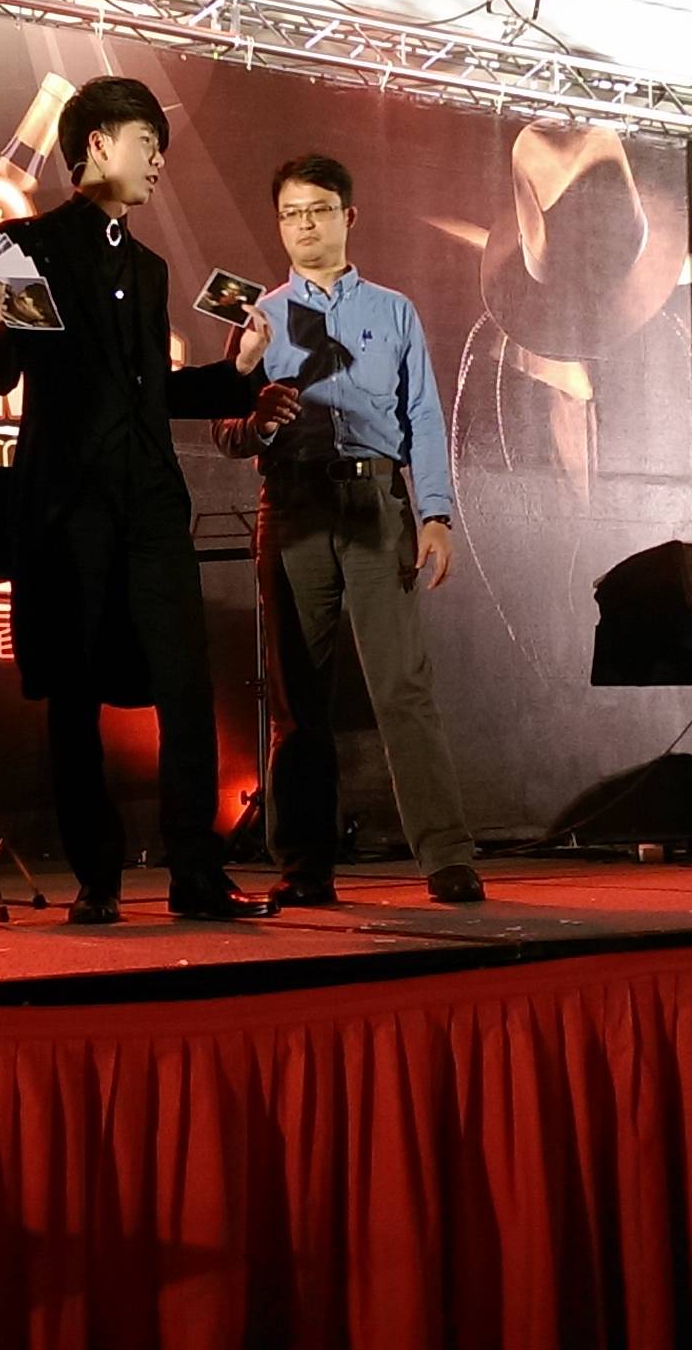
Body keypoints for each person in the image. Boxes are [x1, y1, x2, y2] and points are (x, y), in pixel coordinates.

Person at [0, 77, 280, 923]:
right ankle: (96, 880)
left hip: (151, 504)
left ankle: (195, 876)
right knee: (73, 695)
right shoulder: (21, 243)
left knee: (185, 687)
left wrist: (238, 371)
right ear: (97, 144)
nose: (158, 162)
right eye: (147, 143)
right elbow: (0, 374)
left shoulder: (149, 268)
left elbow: (151, 392)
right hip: (69, 506)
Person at [213, 155, 485, 905]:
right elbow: (227, 433)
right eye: (290, 213)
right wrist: (256, 409)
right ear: (278, 224)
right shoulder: (259, 317)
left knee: (402, 686)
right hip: (292, 507)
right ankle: (304, 868)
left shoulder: (394, 311)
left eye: (318, 209)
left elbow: (423, 414)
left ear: (347, 216)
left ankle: (446, 855)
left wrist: (434, 514)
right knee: (297, 699)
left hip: (375, 504)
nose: (304, 224)